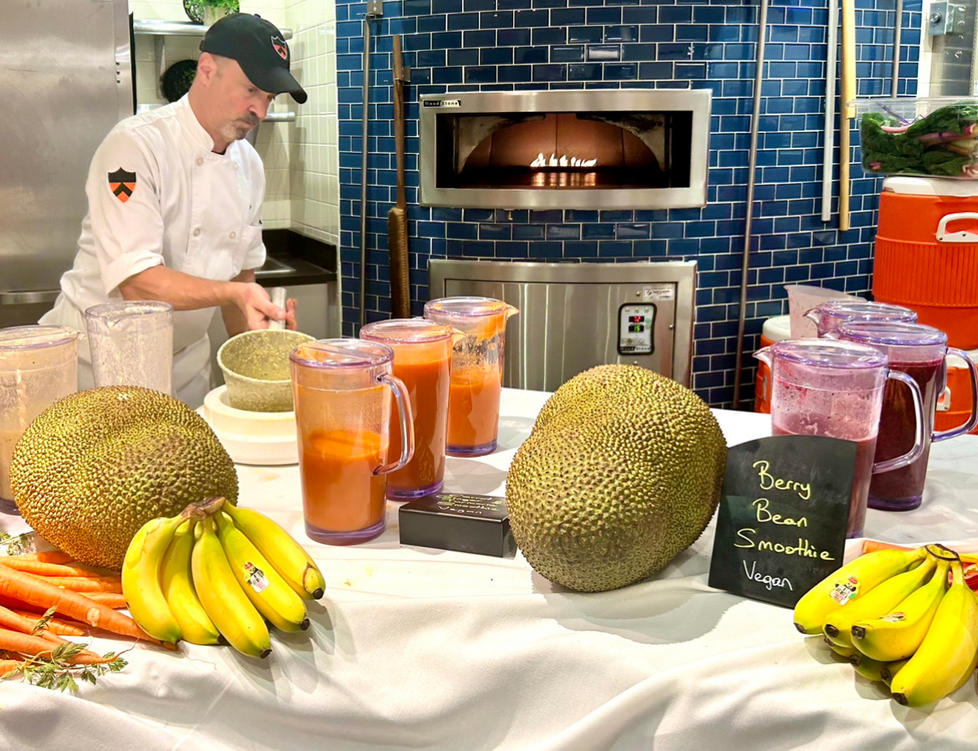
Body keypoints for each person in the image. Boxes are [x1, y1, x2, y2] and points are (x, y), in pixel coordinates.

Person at [40, 13, 306, 408]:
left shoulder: (249, 164)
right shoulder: (135, 147)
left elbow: (241, 275)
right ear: (206, 70)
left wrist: (256, 341)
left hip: (185, 370)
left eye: (268, 98)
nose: (260, 111)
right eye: (251, 90)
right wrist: (234, 292)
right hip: (98, 367)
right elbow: (137, 282)